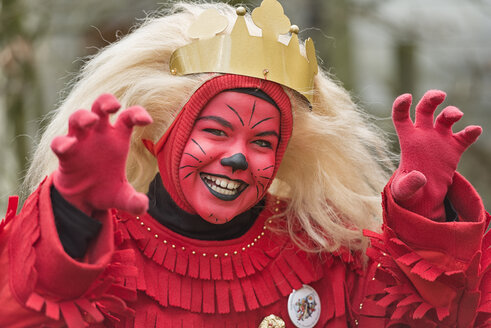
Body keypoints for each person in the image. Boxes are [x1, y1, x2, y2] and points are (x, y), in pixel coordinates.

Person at [0, 1, 489, 327]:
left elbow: (438, 316)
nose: (236, 157)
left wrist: (429, 218)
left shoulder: (319, 245)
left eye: (262, 141)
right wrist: (71, 215)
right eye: (215, 132)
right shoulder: (102, 253)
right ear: (157, 138)